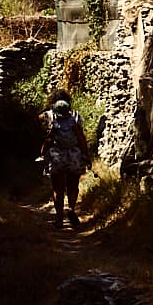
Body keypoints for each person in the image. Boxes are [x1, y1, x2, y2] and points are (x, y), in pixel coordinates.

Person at [38, 96, 90, 230]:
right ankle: (71, 209)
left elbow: (39, 119)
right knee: (73, 186)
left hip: (57, 157)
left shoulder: (52, 119)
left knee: (58, 188)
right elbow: (81, 138)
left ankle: (59, 219)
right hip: (74, 156)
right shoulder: (75, 120)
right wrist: (86, 155)